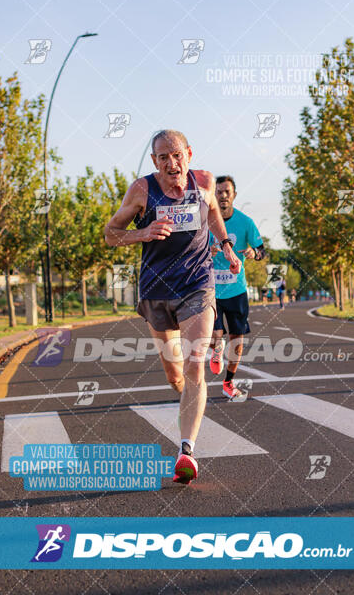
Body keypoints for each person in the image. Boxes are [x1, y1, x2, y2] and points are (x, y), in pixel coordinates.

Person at [105, 130, 241, 484]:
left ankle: (186, 450)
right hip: (156, 291)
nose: (171, 163)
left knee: (196, 366)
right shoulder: (141, 190)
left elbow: (212, 213)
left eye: (177, 155)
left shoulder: (205, 182)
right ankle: (188, 399)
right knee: (176, 375)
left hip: (197, 283)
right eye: (163, 157)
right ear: (154, 161)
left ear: (189, 154)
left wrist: (225, 245)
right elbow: (110, 233)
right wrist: (143, 232)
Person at [208, 175, 266, 400]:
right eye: (219, 192)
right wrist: (207, 251)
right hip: (211, 291)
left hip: (237, 291)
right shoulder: (206, 221)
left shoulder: (245, 222)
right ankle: (216, 348)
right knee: (215, 335)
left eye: (226, 192)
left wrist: (253, 253)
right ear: (213, 195)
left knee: (238, 344)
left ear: (234, 195)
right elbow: (191, 250)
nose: (222, 196)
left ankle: (228, 383)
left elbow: (262, 250)